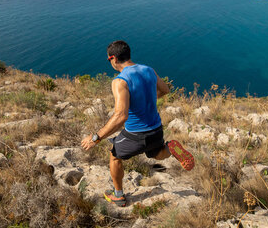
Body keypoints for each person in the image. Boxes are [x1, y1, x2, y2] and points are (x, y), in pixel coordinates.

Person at [81, 40, 194, 207]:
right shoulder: (148, 70)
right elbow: (165, 90)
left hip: (136, 135)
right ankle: (170, 148)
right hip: (156, 130)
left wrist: (96, 138)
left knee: (114, 154)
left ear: (113, 59)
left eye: (108, 59)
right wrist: (145, 100)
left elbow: (121, 116)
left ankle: (118, 195)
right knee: (156, 154)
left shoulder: (120, 81)